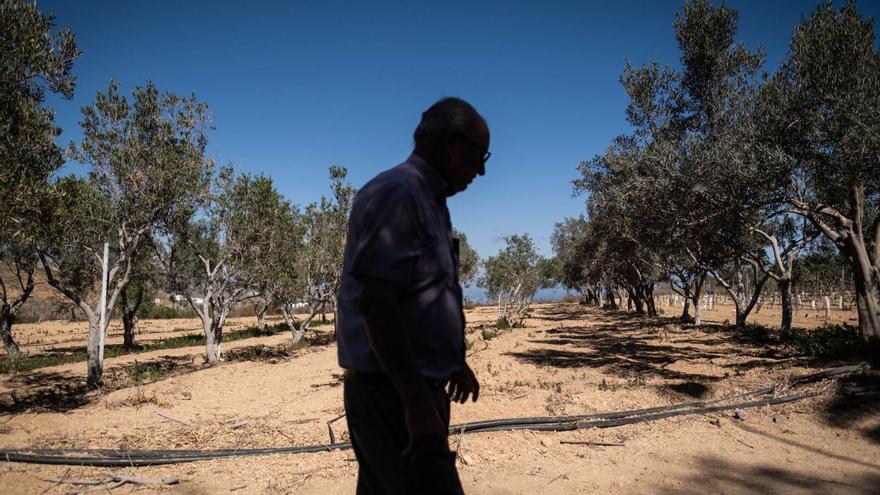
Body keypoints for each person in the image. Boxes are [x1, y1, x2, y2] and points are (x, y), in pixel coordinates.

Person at [337, 97, 490, 494]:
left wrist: (452, 362)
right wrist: (416, 402)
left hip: (407, 390)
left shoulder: (428, 200)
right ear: (454, 145)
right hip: (391, 395)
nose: (482, 170)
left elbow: (422, 295)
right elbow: (377, 305)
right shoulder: (399, 195)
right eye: (480, 155)